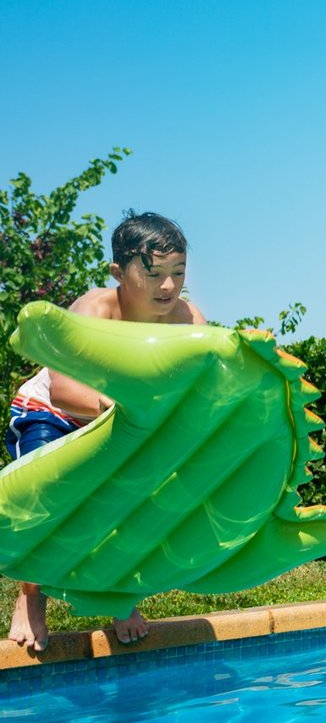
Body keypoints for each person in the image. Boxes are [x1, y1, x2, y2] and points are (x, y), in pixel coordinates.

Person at [5, 211, 205, 653]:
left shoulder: (187, 319)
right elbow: (63, 388)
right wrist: (119, 406)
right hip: (51, 414)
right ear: (119, 272)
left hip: (124, 423)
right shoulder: (96, 308)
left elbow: (201, 385)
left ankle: (120, 598)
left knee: (129, 508)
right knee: (45, 505)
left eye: (178, 273)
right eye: (153, 274)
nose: (168, 287)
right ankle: (30, 599)